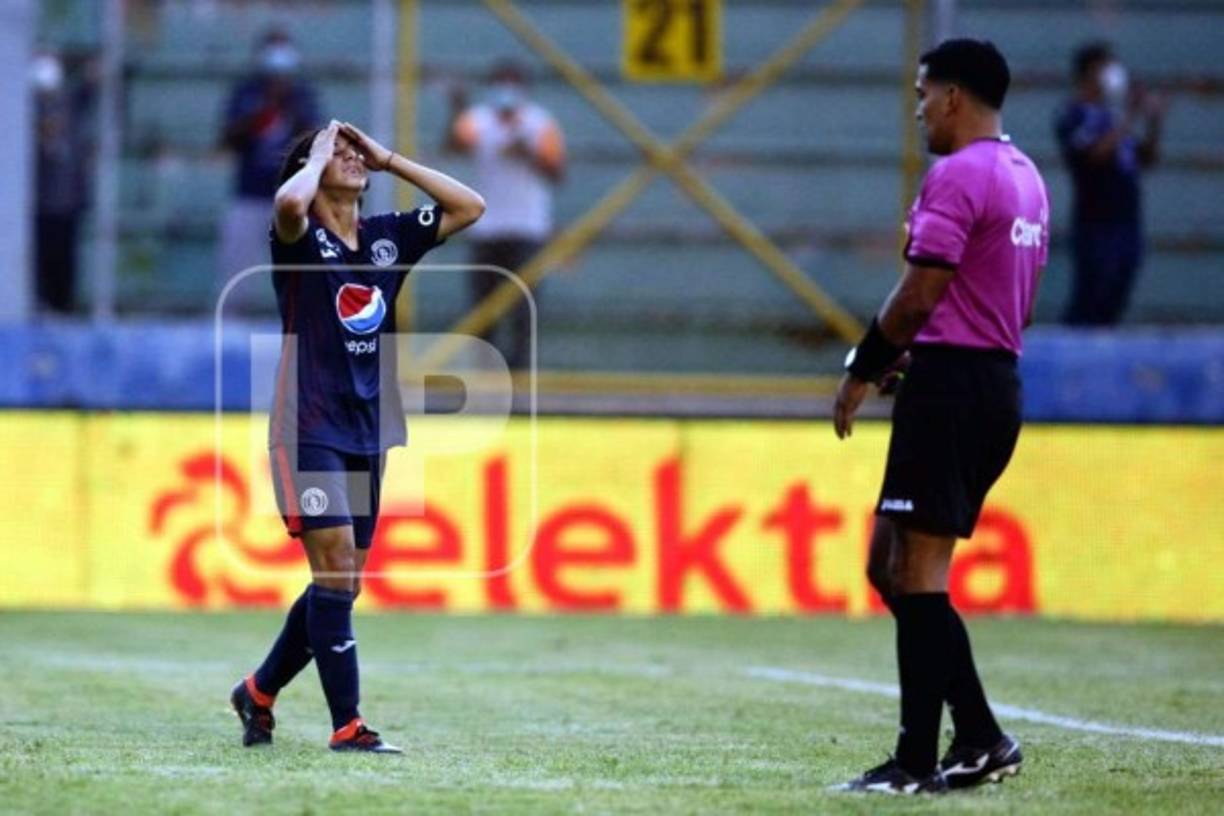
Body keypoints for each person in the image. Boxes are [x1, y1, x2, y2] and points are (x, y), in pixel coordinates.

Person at [832, 39, 1048, 794]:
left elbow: (919, 294)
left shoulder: (958, 175)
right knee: (889, 565)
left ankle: (915, 762)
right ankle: (980, 736)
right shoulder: (1025, 177)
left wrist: (863, 367)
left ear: (953, 96)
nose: (918, 109)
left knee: (917, 572)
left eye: (923, 94)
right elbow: (1001, 296)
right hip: (988, 379)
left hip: (954, 387)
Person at [229, 120, 484, 752]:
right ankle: (348, 725)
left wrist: (389, 158)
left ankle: (258, 692)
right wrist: (317, 153)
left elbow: (469, 207)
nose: (350, 158)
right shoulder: (297, 235)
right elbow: (290, 203)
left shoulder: (386, 238)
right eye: (337, 153)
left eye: (353, 152)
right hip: (307, 424)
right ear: (313, 168)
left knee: (341, 581)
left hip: (369, 428)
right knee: (337, 566)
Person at [446, 59, 565, 369]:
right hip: (486, 226)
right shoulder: (479, 119)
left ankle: (521, 370)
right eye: (500, 84)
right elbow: (456, 144)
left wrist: (529, 152)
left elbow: (557, 171)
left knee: (523, 307)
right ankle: (485, 369)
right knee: (483, 306)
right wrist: (456, 106)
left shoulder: (539, 123)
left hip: (528, 227)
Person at [1056, 42, 1164, 326]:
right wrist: (1131, 115)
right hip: (1096, 221)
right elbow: (1093, 155)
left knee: (1118, 291)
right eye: (1105, 66)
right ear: (1089, 72)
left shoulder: (1113, 115)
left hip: (1127, 218)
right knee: (1093, 294)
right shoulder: (1073, 114)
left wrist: (1154, 122)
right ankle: (1074, 344)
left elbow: (1145, 158)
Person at [217, 29, 320, 309]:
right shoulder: (247, 92)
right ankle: (231, 324)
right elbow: (227, 139)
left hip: (292, 197)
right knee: (237, 272)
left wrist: (288, 108)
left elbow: (316, 140)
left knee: (304, 272)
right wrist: (258, 116)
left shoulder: (301, 95)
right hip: (249, 194)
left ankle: (304, 323)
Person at [32, 50, 92, 314]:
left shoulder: (69, 104)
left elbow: (90, 85)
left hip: (67, 203)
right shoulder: (26, 111)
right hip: (38, 204)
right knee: (41, 258)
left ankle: (63, 305)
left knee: (65, 258)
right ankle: (43, 303)